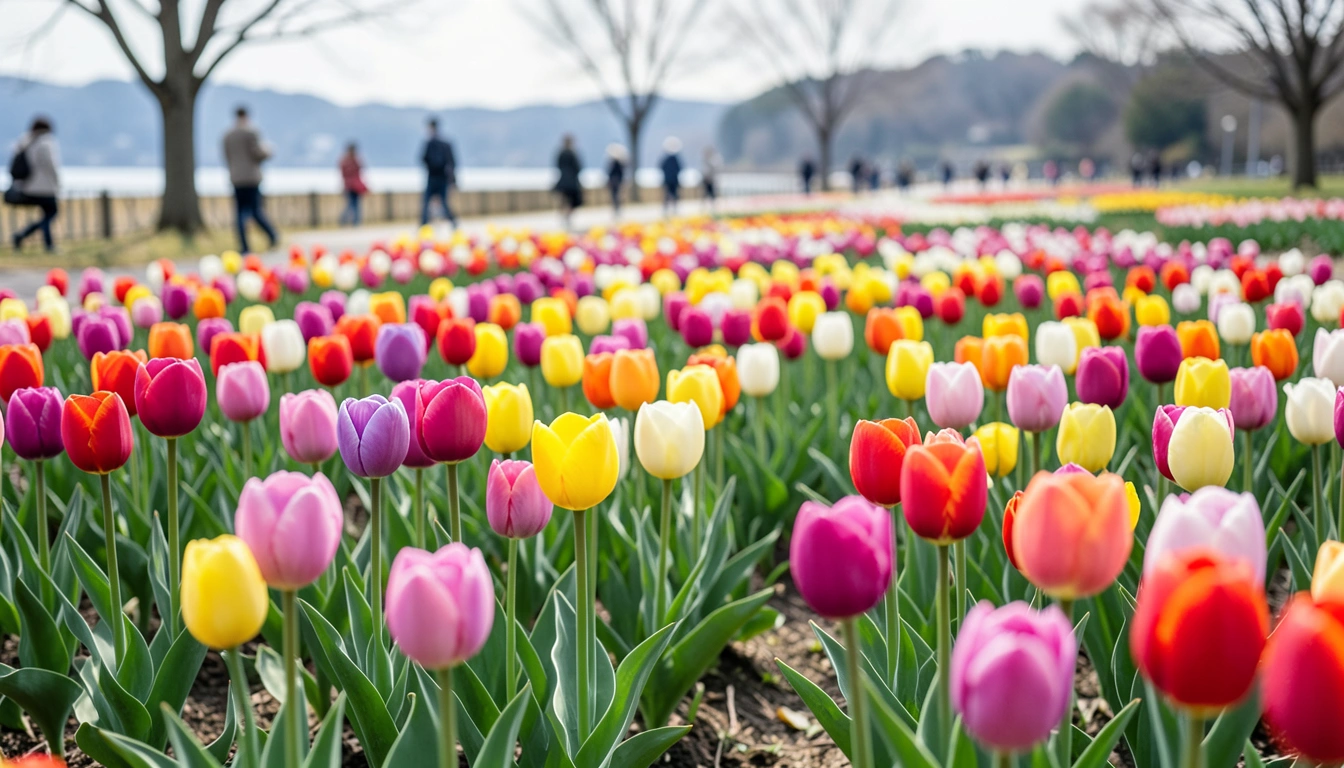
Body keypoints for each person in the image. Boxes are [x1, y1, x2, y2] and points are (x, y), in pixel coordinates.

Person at [223, 106, 277, 254]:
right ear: (246, 116)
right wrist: (269, 151)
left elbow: (226, 156)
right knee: (255, 210)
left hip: (236, 178)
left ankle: (244, 246)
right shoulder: (251, 132)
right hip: (251, 178)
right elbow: (258, 153)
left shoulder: (228, 135)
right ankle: (272, 235)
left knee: (240, 213)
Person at [7, 116, 60, 252]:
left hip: (27, 187)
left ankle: (22, 236)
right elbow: (51, 165)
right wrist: (57, 182)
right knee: (51, 213)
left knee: (47, 215)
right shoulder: (46, 141)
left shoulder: (25, 141)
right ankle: (47, 245)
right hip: (45, 187)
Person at [421, 118, 458, 227]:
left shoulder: (429, 143)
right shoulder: (446, 143)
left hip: (433, 177)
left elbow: (423, 159)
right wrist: (453, 180)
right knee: (444, 203)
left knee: (426, 202)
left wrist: (431, 167)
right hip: (443, 178)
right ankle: (454, 224)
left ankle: (423, 226)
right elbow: (452, 163)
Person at [554, 134, 583, 230]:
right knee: (572, 200)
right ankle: (567, 217)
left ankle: (563, 217)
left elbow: (557, 165)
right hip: (572, 181)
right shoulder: (573, 153)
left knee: (563, 200)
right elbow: (578, 167)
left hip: (562, 180)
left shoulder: (561, 153)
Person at [339, 142, 368, 227]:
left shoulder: (345, 160)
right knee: (353, 204)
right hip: (352, 186)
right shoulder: (352, 160)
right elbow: (359, 171)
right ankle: (352, 221)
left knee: (353, 204)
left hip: (351, 186)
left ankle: (352, 221)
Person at [660, 137, 683, 218]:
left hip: (668, 179)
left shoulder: (666, 159)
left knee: (668, 195)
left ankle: (668, 209)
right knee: (673, 194)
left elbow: (661, 167)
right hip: (673, 179)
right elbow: (680, 168)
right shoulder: (675, 159)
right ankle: (672, 209)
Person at [605, 144, 626, 218]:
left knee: (615, 196)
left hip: (615, 181)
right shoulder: (619, 163)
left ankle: (616, 209)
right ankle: (616, 209)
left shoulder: (615, 163)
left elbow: (610, 172)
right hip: (616, 181)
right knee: (616, 196)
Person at [701, 145, 722, 213]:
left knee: (712, 194)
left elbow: (715, 170)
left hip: (712, 180)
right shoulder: (705, 160)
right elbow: (704, 171)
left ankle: (713, 207)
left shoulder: (713, 160)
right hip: (706, 180)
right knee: (705, 194)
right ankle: (704, 208)